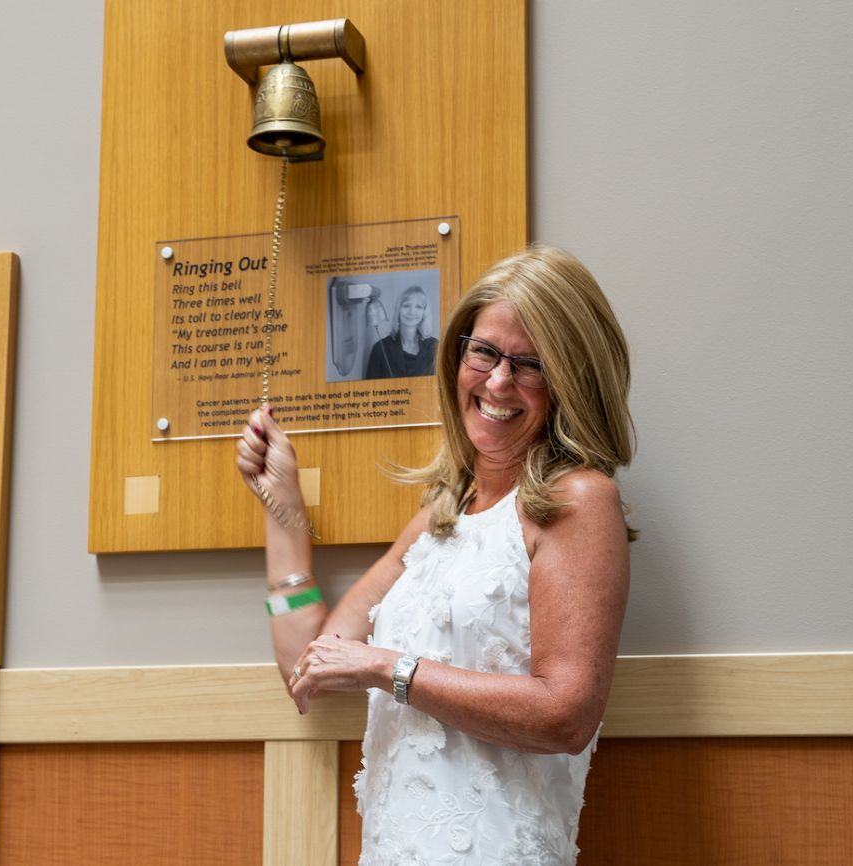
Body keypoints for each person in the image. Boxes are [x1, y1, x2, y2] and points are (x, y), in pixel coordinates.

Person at [236, 245, 635, 865]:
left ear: (571, 381)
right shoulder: (442, 516)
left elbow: (565, 715)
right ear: (458, 354)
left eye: (532, 365)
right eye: (485, 352)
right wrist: (281, 511)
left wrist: (385, 668)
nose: (499, 381)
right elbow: (306, 664)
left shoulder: (579, 500)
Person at [364, 285, 438, 379]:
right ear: (398, 309)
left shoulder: (434, 347)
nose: (412, 311)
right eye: (406, 305)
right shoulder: (380, 348)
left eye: (418, 307)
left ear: (424, 313)